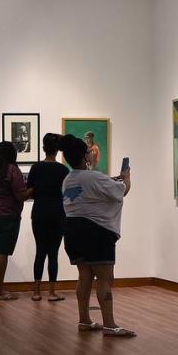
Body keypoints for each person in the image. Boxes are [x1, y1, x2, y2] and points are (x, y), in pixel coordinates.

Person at [60, 135, 135, 337]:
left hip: (73, 230)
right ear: (86, 156)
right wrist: (126, 178)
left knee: (84, 276)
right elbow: (122, 191)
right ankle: (109, 324)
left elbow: (87, 191)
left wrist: (108, 180)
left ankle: (84, 320)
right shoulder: (93, 177)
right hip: (97, 232)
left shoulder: (68, 179)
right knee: (104, 278)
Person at [0, 141, 33, 300]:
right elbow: (21, 195)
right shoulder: (12, 170)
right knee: (2, 253)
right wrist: (34, 188)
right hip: (8, 216)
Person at [27, 134, 69, 301]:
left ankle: (36, 292)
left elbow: (30, 190)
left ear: (43, 148)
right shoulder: (63, 170)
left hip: (39, 213)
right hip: (58, 213)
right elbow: (67, 194)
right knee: (53, 253)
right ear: (57, 150)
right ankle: (52, 292)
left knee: (40, 251)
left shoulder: (36, 168)